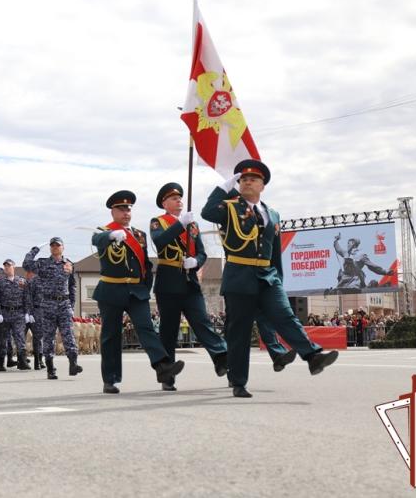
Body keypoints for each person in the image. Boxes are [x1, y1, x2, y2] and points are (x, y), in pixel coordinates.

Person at [200, 159, 338, 397]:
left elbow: (275, 252)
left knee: (285, 316)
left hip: (267, 276)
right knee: (239, 332)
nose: (247, 182)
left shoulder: (272, 214)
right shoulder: (230, 208)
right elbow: (207, 212)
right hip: (239, 276)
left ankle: (313, 356)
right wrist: (223, 187)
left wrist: (279, 280)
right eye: (243, 179)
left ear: (262, 186)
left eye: (253, 179)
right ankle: (238, 382)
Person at [91, 190, 185, 393]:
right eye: (121, 209)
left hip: (136, 290)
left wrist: (145, 286)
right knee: (111, 336)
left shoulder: (139, 235)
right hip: (111, 289)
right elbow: (96, 240)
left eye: (128, 209)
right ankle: (110, 379)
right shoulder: (104, 231)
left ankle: (163, 367)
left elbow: (145, 264)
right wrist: (111, 236)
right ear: (113, 212)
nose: (126, 213)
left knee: (146, 329)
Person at [150, 182, 228, 391]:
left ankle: (222, 358)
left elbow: (202, 252)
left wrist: (196, 261)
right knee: (168, 330)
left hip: (190, 282)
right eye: (174, 198)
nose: (179, 201)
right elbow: (160, 242)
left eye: (180, 198)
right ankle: (167, 376)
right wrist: (179, 224)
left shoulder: (193, 225)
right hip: (168, 282)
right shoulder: (158, 222)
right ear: (164, 203)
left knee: (202, 322)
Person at [24, 238, 82, 380]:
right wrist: (35, 250)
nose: (55, 247)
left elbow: (72, 286)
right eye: (52, 245)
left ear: (63, 247)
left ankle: (73, 363)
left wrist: (71, 304)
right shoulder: (43, 263)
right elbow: (26, 264)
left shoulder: (69, 264)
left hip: (64, 304)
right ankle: (50, 368)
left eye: (58, 245)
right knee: (49, 337)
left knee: (68, 334)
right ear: (50, 248)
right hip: (48, 304)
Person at [0, 259, 32, 371]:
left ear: (13, 267)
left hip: (18, 313)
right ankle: (1, 363)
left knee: (20, 338)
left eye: (9, 266)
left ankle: (22, 362)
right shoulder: (0, 281)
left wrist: (27, 313)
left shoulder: (21, 281)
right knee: (2, 340)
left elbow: (26, 298)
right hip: (5, 313)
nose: (7, 268)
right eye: (5, 266)